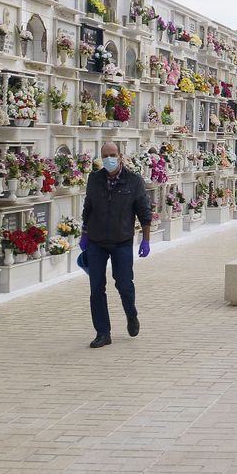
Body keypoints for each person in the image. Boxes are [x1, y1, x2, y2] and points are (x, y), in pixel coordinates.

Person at [80, 142, 152, 348]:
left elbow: (144, 212)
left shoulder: (134, 181)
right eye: (105, 156)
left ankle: (131, 314)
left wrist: (146, 240)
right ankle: (103, 332)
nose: (109, 159)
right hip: (96, 241)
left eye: (112, 155)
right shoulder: (94, 179)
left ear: (120, 156)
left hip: (121, 241)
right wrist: (84, 233)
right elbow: (88, 207)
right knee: (96, 288)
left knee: (124, 284)